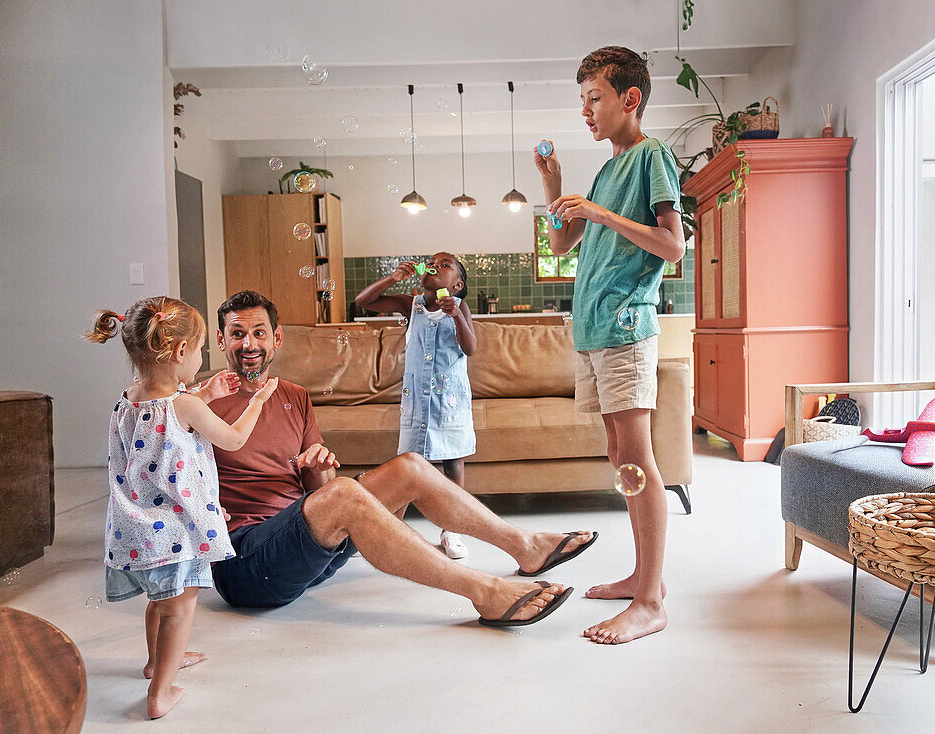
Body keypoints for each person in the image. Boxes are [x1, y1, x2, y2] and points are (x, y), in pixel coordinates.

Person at [205, 290, 598, 628]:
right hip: (248, 566)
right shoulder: (198, 402)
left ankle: (525, 545)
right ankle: (486, 592)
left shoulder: (293, 395)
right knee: (344, 494)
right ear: (221, 341)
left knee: (409, 465)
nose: (249, 344)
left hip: (306, 555)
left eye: (259, 333)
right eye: (237, 334)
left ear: (276, 338)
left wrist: (319, 467)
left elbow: (315, 496)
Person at [535, 46, 685, 644]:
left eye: (594, 98)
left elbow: (672, 247)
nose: (586, 111)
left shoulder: (652, 157)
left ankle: (650, 600)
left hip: (624, 326)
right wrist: (554, 185)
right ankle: (643, 577)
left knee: (637, 460)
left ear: (631, 99)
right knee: (620, 458)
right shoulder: (605, 169)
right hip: (594, 331)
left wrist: (598, 210)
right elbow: (564, 242)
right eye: (582, 101)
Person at [85, 296, 278, 719]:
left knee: (160, 601)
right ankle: (161, 691)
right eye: (202, 349)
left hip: (136, 530)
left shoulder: (127, 401)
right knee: (180, 607)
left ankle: (156, 662)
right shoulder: (183, 405)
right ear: (179, 353)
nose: (204, 357)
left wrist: (204, 392)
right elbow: (232, 439)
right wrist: (256, 403)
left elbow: (165, 434)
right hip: (176, 533)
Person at [354, 251, 475, 560]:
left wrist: (457, 315)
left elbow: (470, 348)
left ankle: (452, 530)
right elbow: (363, 301)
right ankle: (391, 529)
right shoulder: (412, 305)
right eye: (432, 262)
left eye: (445, 264)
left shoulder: (461, 307)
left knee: (453, 464)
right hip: (417, 402)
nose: (434, 265)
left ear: (457, 284)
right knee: (408, 466)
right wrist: (394, 278)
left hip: (450, 401)